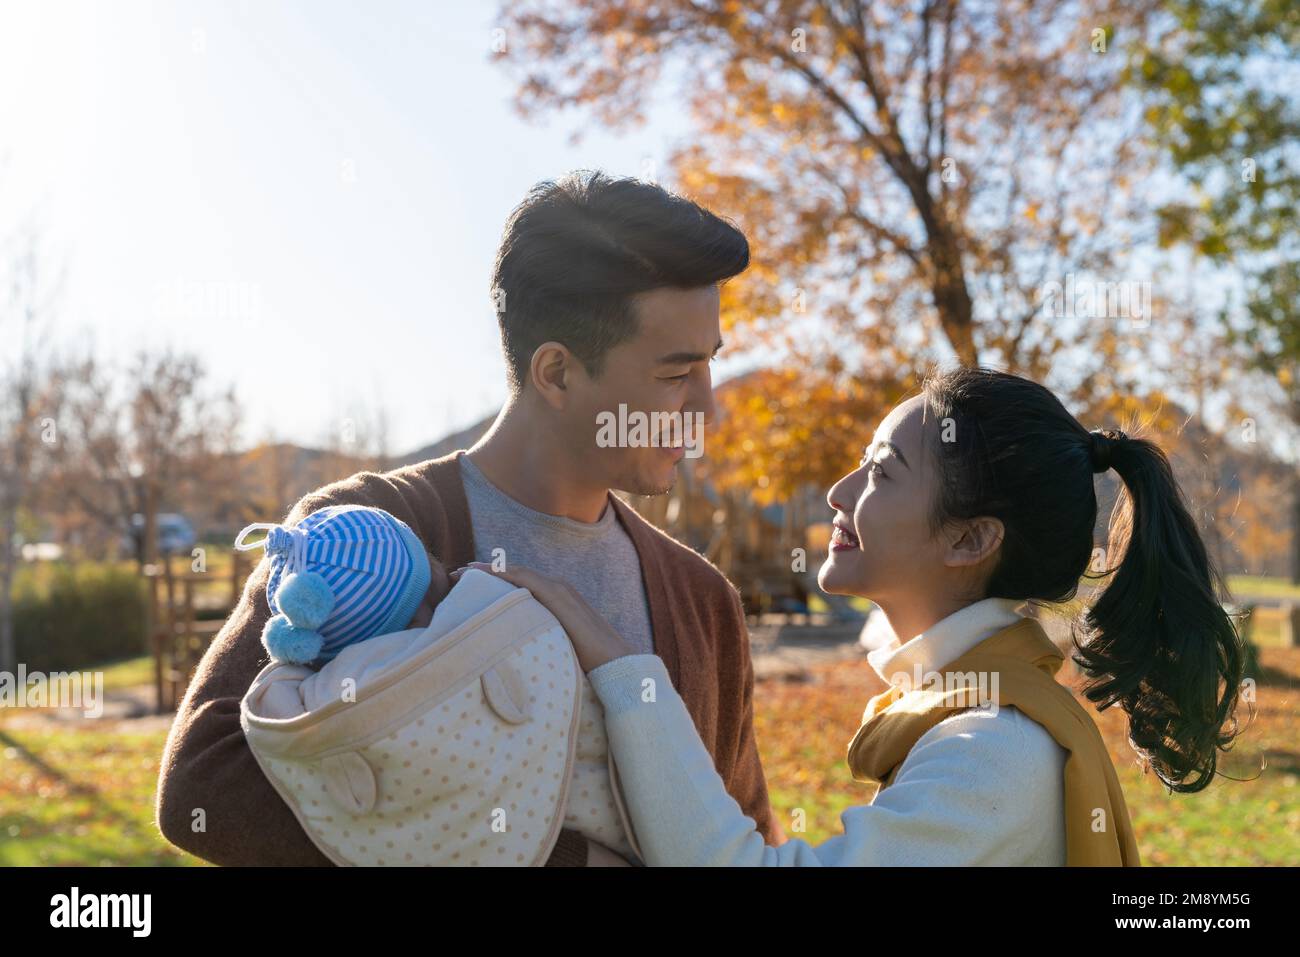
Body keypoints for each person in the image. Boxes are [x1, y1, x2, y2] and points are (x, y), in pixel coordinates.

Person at [154, 170, 784, 866]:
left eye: (710, 367)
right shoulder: (364, 532)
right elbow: (203, 785)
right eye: (676, 376)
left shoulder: (703, 602)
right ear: (556, 373)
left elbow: (745, 838)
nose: (709, 410)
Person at [475, 367, 1248, 866]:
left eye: (882, 472)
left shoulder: (992, 752)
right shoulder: (972, 715)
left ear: (971, 538)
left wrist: (621, 665)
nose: (840, 491)